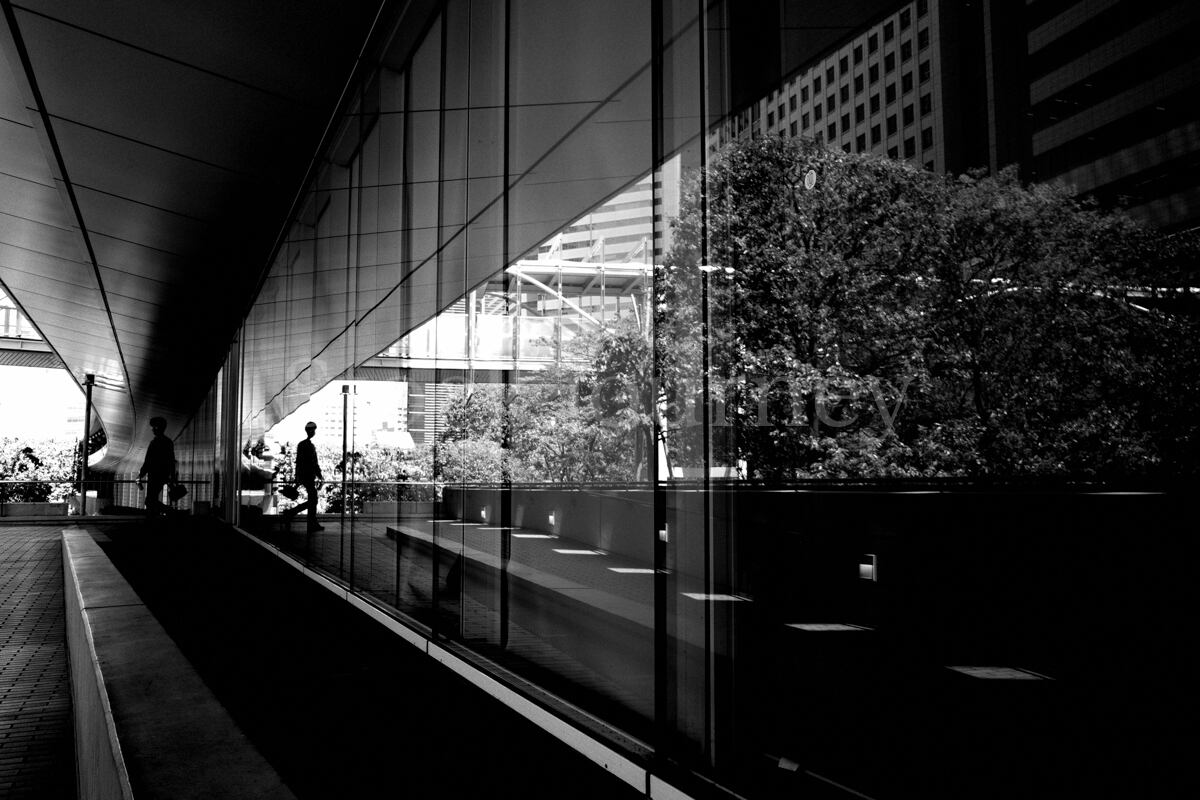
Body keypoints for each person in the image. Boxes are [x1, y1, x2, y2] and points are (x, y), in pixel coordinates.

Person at [283, 421, 324, 532]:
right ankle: (309, 521)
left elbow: (300, 462)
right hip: (308, 477)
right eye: (313, 430)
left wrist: (298, 476)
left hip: (306, 476)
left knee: (313, 500)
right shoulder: (308, 445)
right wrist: (320, 476)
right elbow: (313, 463)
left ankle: (295, 515)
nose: (313, 432)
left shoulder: (303, 445)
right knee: (313, 500)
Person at [137, 416, 175, 516]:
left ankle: (169, 511)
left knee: (150, 501)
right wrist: (172, 476)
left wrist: (141, 474)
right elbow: (171, 461)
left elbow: (148, 461)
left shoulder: (154, 443)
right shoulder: (168, 442)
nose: (152, 429)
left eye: (154, 427)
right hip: (163, 475)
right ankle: (165, 512)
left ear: (158, 428)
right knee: (151, 500)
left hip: (154, 476)